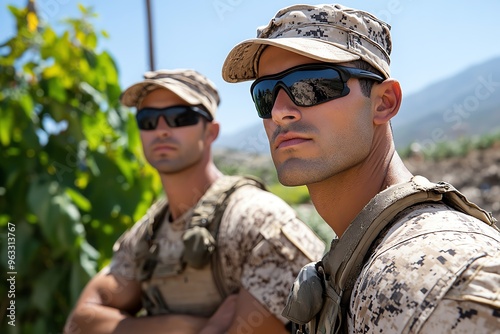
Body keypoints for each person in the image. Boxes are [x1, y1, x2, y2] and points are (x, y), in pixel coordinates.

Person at [221, 3, 500, 333]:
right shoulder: (360, 255)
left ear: (384, 103)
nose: (280, 112)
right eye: (265, 95)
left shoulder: (438, 279)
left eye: (312, 85)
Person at [64, 69, 325, 334]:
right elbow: (79, 323)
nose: (162, 130)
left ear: (211, 132)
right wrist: (182, 327)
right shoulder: (148, 235)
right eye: (148, 120)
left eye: (180, 117)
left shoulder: (257, 219)